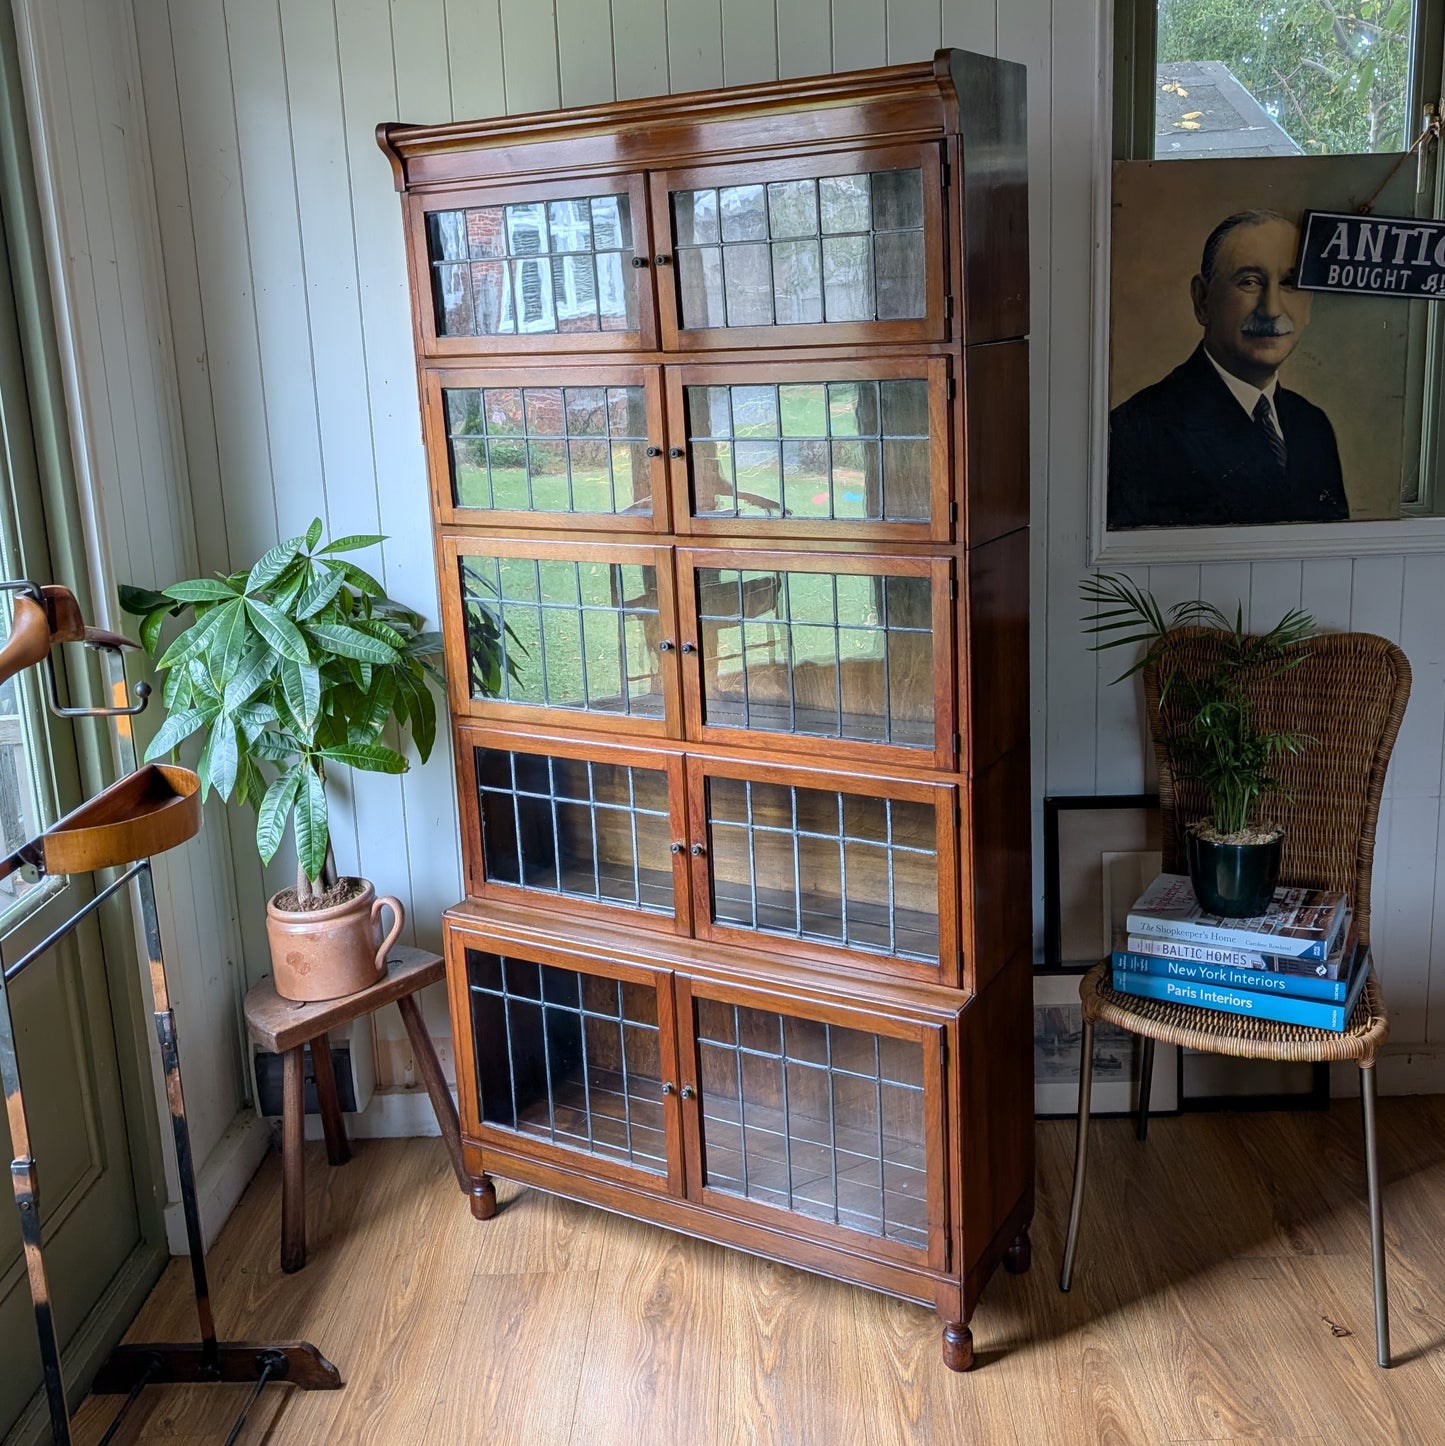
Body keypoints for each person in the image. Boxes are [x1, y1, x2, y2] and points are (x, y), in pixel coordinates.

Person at [1108, 209, 1350, 529]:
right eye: (1249, 282)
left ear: (1310, 304)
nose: (1272, 309)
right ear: (1202, 300)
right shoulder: (1135, 432)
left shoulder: (1312, 425)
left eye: (1290, 283)